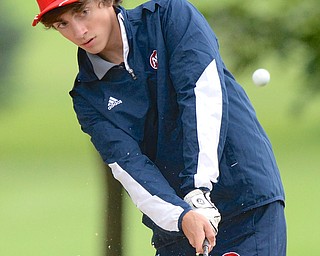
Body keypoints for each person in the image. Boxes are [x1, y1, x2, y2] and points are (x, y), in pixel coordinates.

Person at [32, 0, 287, 255]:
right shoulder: (88, 97)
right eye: (62, 24)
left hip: (245, 202)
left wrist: (198, 191)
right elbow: (129, 167)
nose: (79, 32)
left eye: (82, 13)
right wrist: (182, 215)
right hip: (178, 229)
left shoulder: (170, 17)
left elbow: (202, 97)